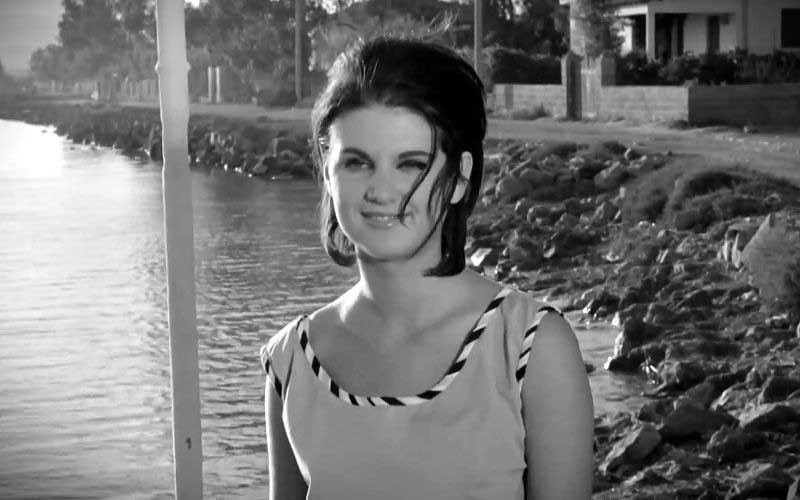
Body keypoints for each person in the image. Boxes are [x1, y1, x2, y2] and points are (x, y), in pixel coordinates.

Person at [260, 37, 594, 500]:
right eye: (357, 162)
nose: (381, 191)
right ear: (326, 169)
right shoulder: (291, 361)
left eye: (411, 164)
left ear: (459, 178)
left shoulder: (531, 348)